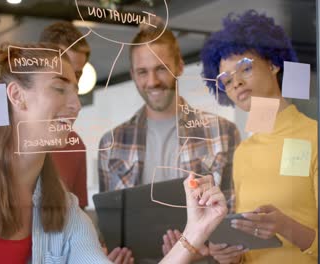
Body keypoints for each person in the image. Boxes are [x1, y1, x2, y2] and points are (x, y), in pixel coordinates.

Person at [0, 41, 229, 264]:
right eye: (59, 88)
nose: (74, 105)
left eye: (76, 92)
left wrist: (194, 233)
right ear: (17, 96)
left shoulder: (64, 211)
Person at [97, 19, 241, 259]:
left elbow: (232, 219)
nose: (152, 81)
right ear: (132, 74)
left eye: (161, 68)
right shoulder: (110, 143)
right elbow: (107, 227)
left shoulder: (222, 132)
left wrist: (208, 249)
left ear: (179, 66)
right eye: (142, 72)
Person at [200, 10, 318, 264]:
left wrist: (286, 227)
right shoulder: (243, 152)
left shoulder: (314, 136)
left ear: (274, 63)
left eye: (245, 69)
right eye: (226, 80)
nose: (237, 84)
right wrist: (232, 256)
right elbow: (250, 245)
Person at [0, 21, 90, 209]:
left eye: (77, 73)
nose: (68, 74)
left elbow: (77, 217)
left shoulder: (74, 144)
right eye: (59, 67)